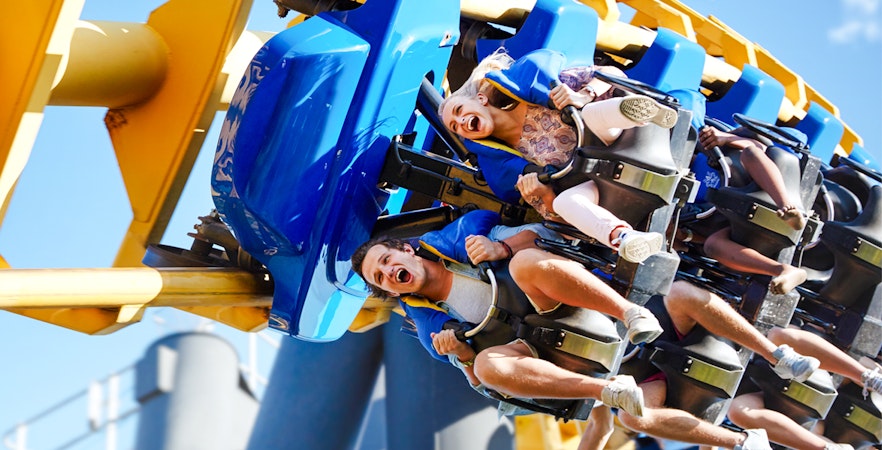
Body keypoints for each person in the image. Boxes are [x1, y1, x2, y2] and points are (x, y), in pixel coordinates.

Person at [351, 227, 821, 449]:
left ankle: (776, 353)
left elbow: (533, 230)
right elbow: (482, 381)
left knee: (525, 262)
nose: (391, 274)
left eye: (388, 263)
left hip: (589, 312)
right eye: (383, 280)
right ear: (388, 290)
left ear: (405, 249)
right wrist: (465, 355)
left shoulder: (456, 235)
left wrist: (500, 246)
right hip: (569, 350)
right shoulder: (428, 322)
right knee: (632, 418)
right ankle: (739, 443)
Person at [438, 48, 678, 264]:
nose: (461, 122)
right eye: (455, 127)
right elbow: (558, 224)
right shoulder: (507, 165)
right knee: (565, 203)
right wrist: (544, 194)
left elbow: (612, 72)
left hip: (626, 138)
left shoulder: (539, 88)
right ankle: (626, 238)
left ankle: (648, 111)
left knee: (590, 116)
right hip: (600, 183)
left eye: (459, 111)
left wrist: (583, 94)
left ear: (480, 100)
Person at [677, 126, 809, 294]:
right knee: (712, 245)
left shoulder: (715, 147)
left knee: (751, 153)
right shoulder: (679, 193)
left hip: (759, 189)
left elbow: (760, 148)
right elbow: (700, 236)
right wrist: (685, 236)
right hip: (732, 219)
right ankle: (782, 270)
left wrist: (726, 139)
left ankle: (786, 207)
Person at [725, 326, 882, 450]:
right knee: (781, 335)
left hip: (817, 416)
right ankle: (870, 377)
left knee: (738, 412)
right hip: (830, 370)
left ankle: (826, 447)